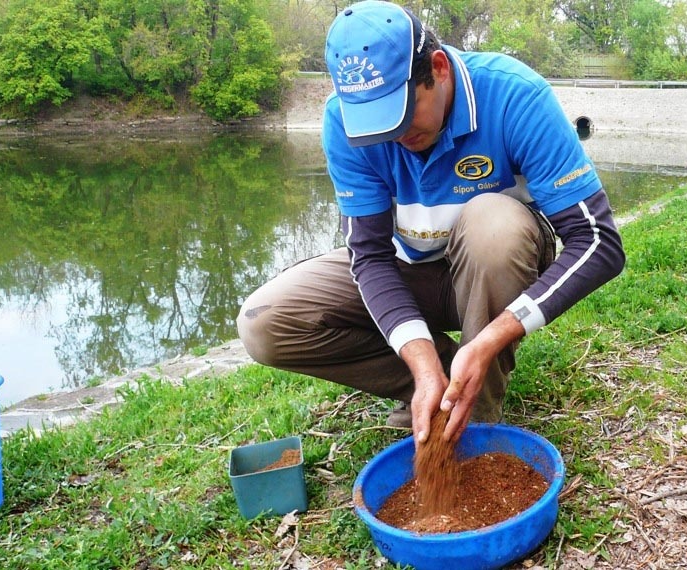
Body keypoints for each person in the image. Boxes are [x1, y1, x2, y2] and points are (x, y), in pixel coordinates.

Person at [236, 0, 624, 445]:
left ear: (438, 68)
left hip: (493, 269)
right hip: (410, 271)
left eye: (401, 114)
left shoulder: (514, 94)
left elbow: (598, 242)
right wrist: (420, 360)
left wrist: (493, 338)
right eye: (376, 123)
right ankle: (434, 383)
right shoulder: (342, 124)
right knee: (265, 323)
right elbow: (370, 255)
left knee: (493, 226)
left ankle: (474, 413)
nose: (396, 135)